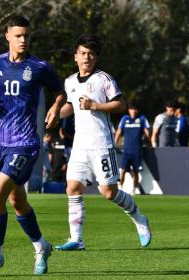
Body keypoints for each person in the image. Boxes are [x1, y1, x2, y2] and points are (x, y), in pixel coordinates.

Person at [0, 16, 66, 275]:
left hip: (25, 144)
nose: (23, 40)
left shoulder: (39, 66)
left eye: (26, 35)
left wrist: (56, 106)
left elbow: (61, 91)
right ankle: (41, 246)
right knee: (17, 201)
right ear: (8, 37)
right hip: (1, 143)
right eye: (18, 35)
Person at [55, 34, 151, 252]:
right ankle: (76, 239)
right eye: (82, 53)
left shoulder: (103, 79)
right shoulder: (69, 82)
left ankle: (140, 219)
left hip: (101, 143)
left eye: (91, 54)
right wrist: (54, 114)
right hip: (79, 145)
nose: (86, 57)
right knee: (72, 187)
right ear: (75, 57)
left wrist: (96, 105)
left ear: (96, 58)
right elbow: (71, 106)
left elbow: (120, 104)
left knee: (108, 192)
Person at [114, 101, 151, 195]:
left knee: (135, 172)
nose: (133, 111)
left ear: (138, 110)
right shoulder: (124, 119)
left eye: (135, 109)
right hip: (126, 151)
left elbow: (147, 132)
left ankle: (134, 190)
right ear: (128, 110)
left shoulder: (142, 119)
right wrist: (114, 144)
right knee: (122, 171)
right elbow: (118, 132)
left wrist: (150, 143)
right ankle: (120, 188)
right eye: (131, 109)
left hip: (137, 151)